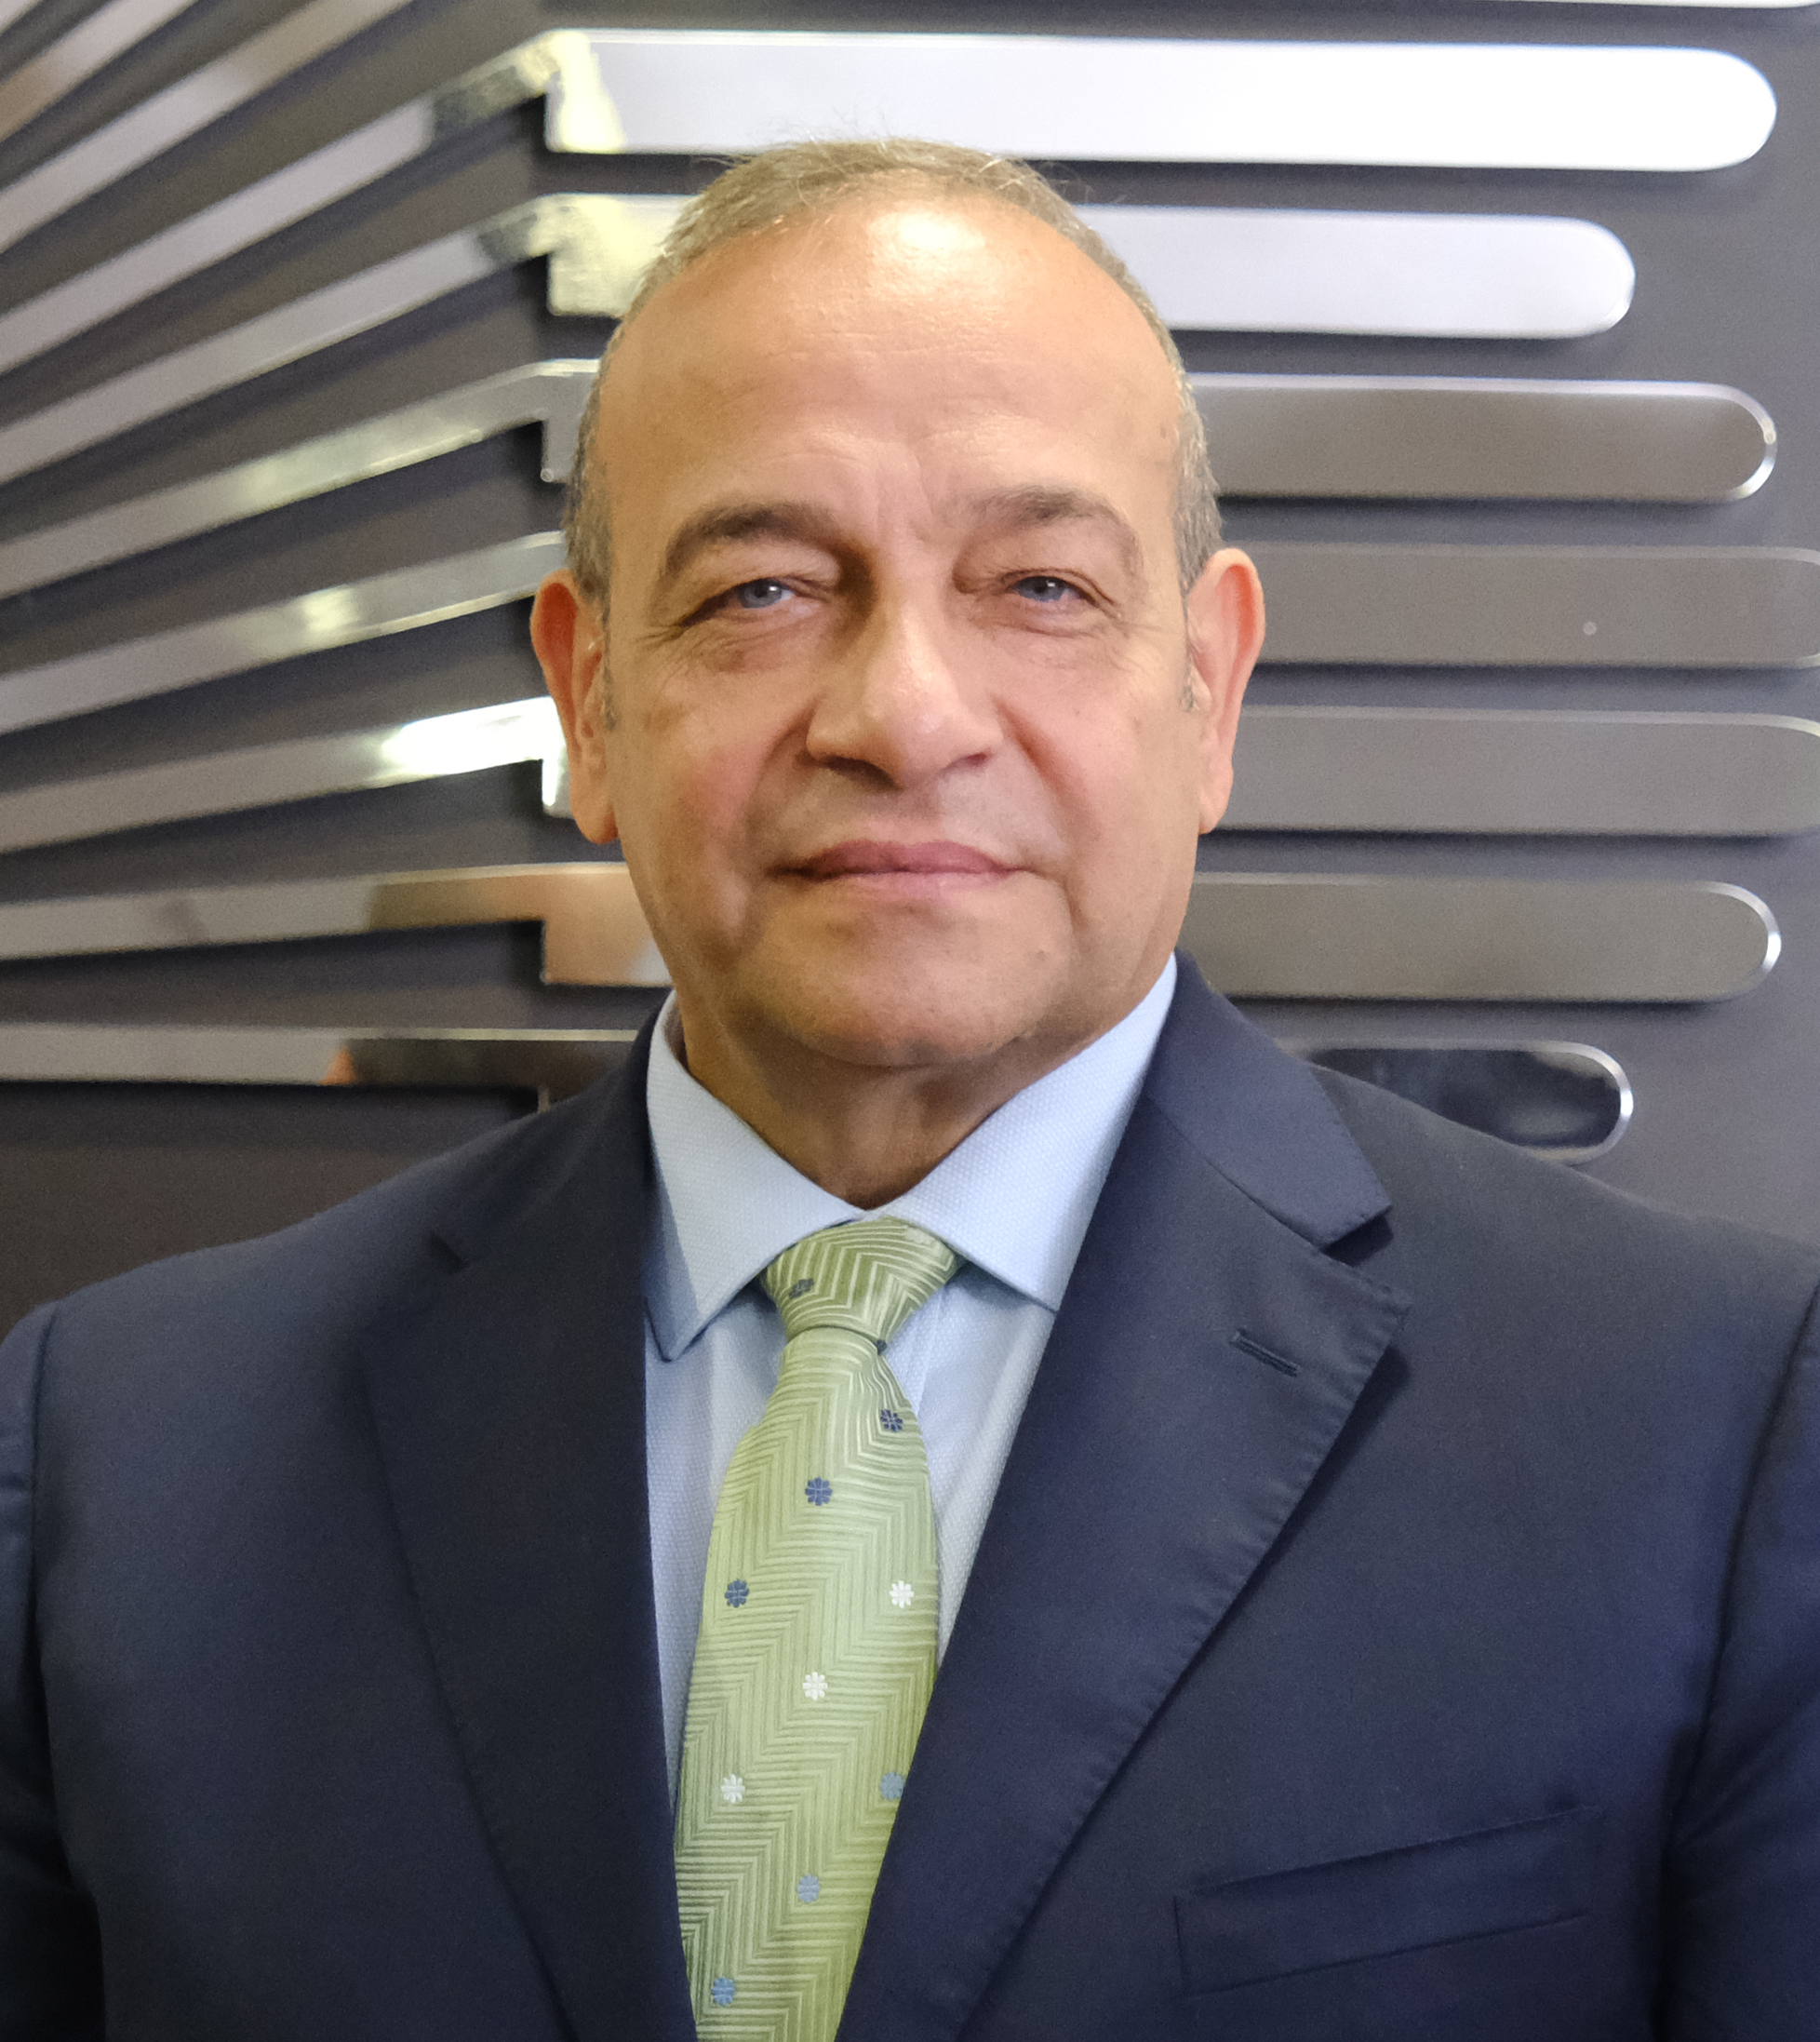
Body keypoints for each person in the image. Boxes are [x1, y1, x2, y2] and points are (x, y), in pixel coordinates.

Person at [3, 137, 1819, 2042]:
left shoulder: (1707, 1431)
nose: (904, 714)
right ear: (589, 699)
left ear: (1209, 689)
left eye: (1039, 583)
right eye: (766, 588)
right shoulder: (123, 1458)